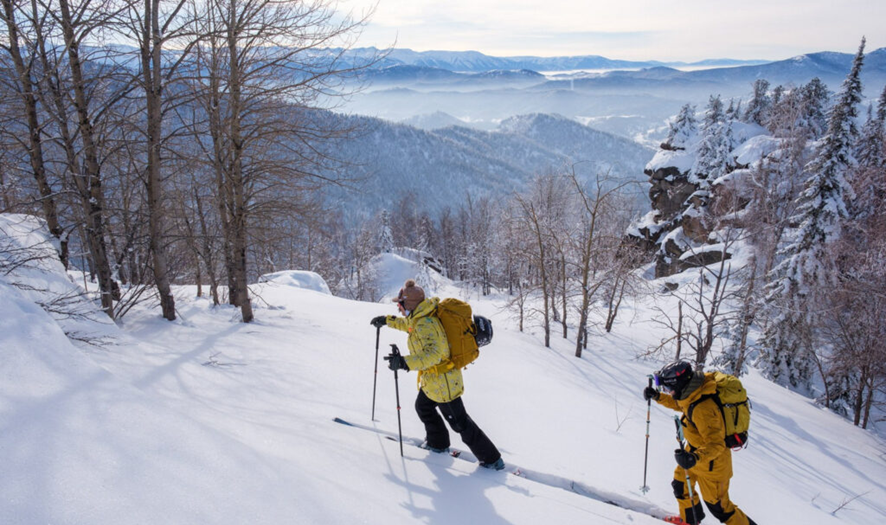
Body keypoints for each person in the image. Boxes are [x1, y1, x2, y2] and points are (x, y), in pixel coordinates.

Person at [371, 279, 504, 470]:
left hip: (444, 385)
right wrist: (386, 321)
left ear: (408, 304)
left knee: (460, 424)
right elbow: (408, 326)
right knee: (423, 407)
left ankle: (492, 460)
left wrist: (404, 362)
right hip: (433, 381)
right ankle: (438, 444)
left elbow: (435, 355)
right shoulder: (419, 317)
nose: (398, 308)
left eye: (399, 305)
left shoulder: (426, 323)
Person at [644, 361, 757, 525]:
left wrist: (694, 458)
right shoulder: (692, 392)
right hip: (695, 453)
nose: (668, 391)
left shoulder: (704, 408)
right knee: (680, 485)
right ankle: (690, 520)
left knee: (721, 508)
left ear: (680, 384)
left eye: (668, 388)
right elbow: (682, 405)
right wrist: (658, 397)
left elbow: (716, 444)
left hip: (712, 464)